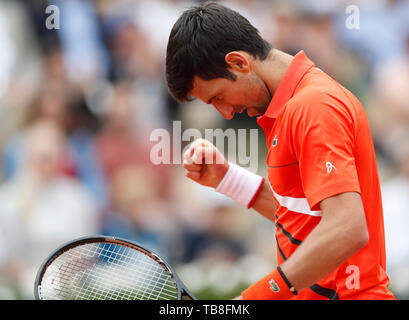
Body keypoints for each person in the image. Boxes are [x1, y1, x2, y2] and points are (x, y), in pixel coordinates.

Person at [165, 2, 395, 300]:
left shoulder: (313, 106)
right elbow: (303, 220)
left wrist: (253, 298)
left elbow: (347, 228)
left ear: (238, 63)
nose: (226, 112)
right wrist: (228, 180)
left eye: (218, 96)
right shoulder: (290, 109)